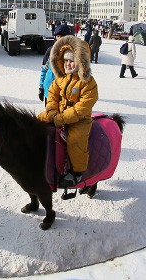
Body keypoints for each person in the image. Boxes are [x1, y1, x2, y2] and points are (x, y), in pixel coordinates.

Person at [38, 35, 98, 187]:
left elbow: (82, 108)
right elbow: (52, 95)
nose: (68, 64)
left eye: (72, 61)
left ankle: (77, 172)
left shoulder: (88, 83)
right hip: (57, 113)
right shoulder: (60, 79)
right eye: (65, 60)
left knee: (75, 140)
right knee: (36, 121)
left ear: (81, 63)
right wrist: (51, 111)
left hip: (79, 120)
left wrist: (61, 119)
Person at [39, 24, 73, 106]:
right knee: (49, 115)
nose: (60, 39)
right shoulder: (50, 51)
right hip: (49, 89)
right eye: (58, 36)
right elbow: (44, 69)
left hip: (64, 92)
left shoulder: (72, 53)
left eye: (63, 36)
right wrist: (41, 87)